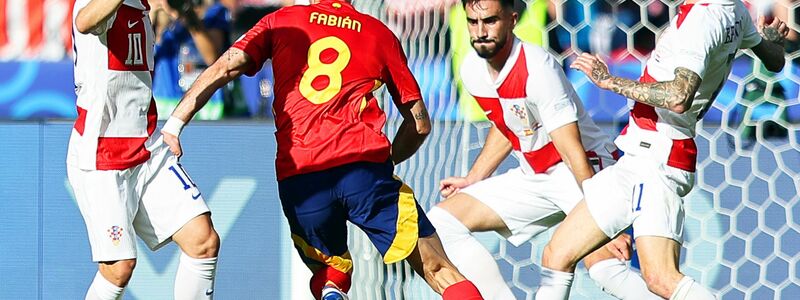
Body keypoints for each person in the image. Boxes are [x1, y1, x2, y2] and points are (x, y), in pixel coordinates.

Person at [159, 0, 484, 299]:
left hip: (302, 180)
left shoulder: (281, 20)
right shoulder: (378, 32)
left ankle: (331, 291)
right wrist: (384, 164)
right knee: (439, 270)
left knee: (331, 270)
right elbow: (420, 124)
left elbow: (224, 67)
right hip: (363, 171)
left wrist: (174, 124)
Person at [535, 0, 788, 299]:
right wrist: (770, 43)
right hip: (640, 152)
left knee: (662, 279)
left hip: (657, 155)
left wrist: (609, 81)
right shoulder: (732, 8)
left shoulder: (702, 19)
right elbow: (774, 61)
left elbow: (680, 96)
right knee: (557, 255)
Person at [427, 1, 658, 299]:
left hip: (583, 171)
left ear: (512, 20)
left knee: (603, 266)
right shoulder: (472, 69)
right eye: (473, 22)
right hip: (535, 175)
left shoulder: (538, 68)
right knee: (442, 221)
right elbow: (510, 123)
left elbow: (570, 146)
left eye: (490, 21)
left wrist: (601, 214)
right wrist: (474, 178)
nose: (480, 32)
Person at [68, 0, 220, 299]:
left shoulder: (144, 6)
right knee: (119, 269)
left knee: (203, 240)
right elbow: (84, 21)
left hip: (146, 145)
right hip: (102, 153)